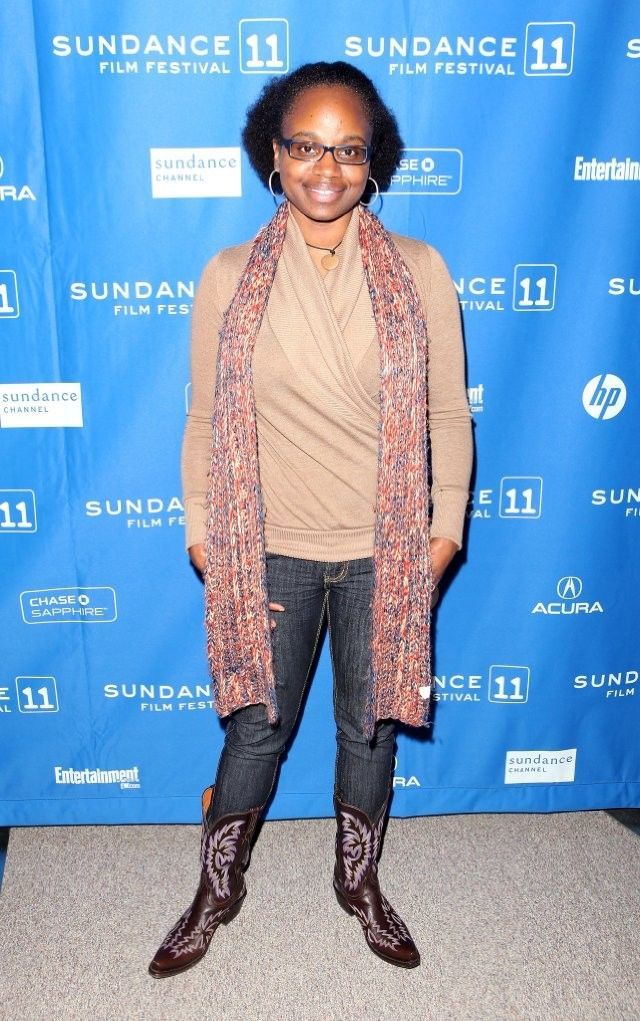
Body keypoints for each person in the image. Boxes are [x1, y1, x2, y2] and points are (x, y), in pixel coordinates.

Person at [149, 60, 473, 978]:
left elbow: (448, 412)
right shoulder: (229, 275)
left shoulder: (417, 269)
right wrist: (204, 531)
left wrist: (444, 529)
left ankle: (357, 880)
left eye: (348, 149)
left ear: (374, 163)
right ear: (274, 153)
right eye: (306, 146)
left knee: (370, 726)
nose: (326, 168)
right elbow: (206, 419)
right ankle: (217, 887)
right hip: (271, 546)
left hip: (385, 548)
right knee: (257, 726)